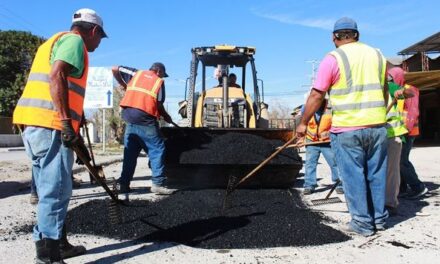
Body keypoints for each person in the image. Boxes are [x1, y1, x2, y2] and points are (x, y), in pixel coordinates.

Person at [12, 8, 106, 263]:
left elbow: (60, 83)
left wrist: (77, 115)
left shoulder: (51, 42)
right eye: (100, 37)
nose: (98, 43)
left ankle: (58, 245)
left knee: (48, 190)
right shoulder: (75, 41)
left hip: (34, 123)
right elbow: (57, 75)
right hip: (51, 125)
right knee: (57, 191)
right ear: (93, 31)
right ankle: (49, 257)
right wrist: (66, 120)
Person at [296, 17, 389, 237]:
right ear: (357, 35)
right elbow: (384, 88)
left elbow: (317, 94)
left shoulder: (333, 58)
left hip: (348, 128)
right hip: (377, 125)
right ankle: (380, 219)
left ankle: (362, 223)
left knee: (353, 175)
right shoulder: (377, 55)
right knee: (376, 173)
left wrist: (302, 122)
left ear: (334, 37)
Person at [112, 62, 176, 195]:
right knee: (157, 150)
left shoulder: (136, 74)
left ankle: (124, 184)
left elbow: (114, 68)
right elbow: (158, 105)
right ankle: (158, 184)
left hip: (130, 119)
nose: (163, 77)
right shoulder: (159, 82)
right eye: (163, 74)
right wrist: (166, 116)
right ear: (158, 71)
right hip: (146, 121)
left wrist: (125, 85)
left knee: (130, 153)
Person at [388, 67, 428, 199]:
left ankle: (418, 187)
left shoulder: (410, 89)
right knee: (397, 161)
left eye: (392, 77)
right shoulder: (394, 91)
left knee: (402, 160)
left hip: (408, 131)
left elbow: (413, 111)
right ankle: (402, 188)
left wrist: (406, 128)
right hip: (401, 130)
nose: (390, 80)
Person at [384, 69, 414, 215]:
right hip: (373, 136)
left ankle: (390, 203)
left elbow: (410, 93)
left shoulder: (390, 86)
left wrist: (400, 92)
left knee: (391, 171)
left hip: (392, 135)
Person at [301, 99, 342, 195]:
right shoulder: (306, 107)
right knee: (310, 164)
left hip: (326, 142)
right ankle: (309, 185)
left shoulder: (331, 108)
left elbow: (338, 123)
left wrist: (329, 133)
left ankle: (339, 184)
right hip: (311, 141)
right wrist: (301, 137)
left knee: (334, 163)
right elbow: (301, 122)